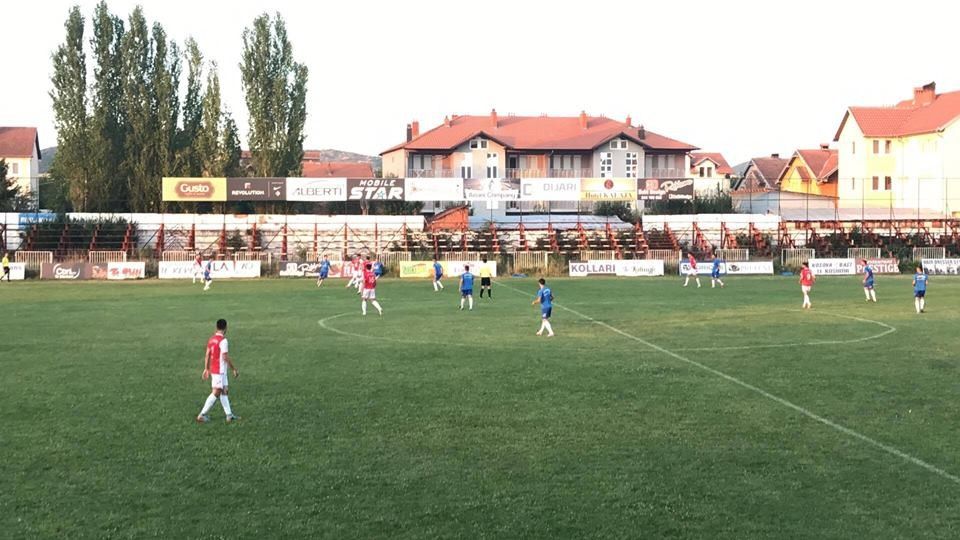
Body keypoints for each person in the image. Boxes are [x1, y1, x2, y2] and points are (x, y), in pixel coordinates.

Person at [196, 319, 239, 423]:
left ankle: (229, 415)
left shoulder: (211, 339)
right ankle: (202, 415)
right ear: (226, 328)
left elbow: (207, 355)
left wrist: (206, 368)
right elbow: (225, 357)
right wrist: (233, 369)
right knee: (216, 392)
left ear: (216, 327)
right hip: (219, 371)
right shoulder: (223, 341)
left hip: (216, 370)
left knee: (224, 390)